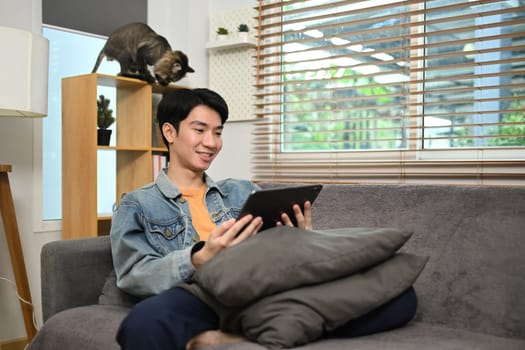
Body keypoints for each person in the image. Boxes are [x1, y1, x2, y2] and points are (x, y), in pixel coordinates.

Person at [111, 88, 417, 350]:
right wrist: (198, 259)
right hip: (203, 295)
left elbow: (276, 253)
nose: (212, 142)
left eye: (218, 132)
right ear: (169, 132)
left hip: (266, 290)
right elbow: (133, 275)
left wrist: (300, 239)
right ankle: (261, 330)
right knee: (143, 324)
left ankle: (233, 335)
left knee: (401, 297)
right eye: (200, 129)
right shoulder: (137, 204)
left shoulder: (242, 190)